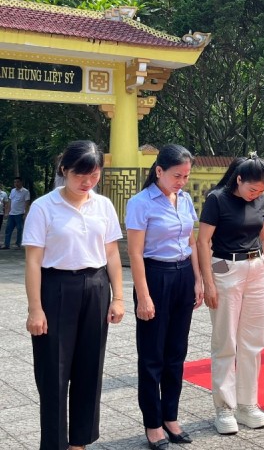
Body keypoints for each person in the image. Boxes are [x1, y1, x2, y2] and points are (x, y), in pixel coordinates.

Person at [23, 140, 124, 450]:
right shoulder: (43, 207)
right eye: (81, 174)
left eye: (94, 175)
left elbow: (111, 253)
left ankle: (79, 442)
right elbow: (33, 261)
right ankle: (54, 444)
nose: (87, 182)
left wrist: (118, 296)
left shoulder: (103, 205)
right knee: (53, 373)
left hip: (95, 287)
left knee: (89, 367)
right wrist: (35, 309)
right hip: (55, 290)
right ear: (64, 169)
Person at [126, 144, 204, 449]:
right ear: (159, 171)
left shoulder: (184, 199)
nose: (181, 181)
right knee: (151, 356)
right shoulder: (141, 203)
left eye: (185, 176)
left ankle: (171, 416)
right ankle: (153, 423)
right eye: (176, 175)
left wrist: (197, 279)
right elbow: (134, 252)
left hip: (184, 275)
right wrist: (143, 297)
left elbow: (191, 240)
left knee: (176, 353)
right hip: (154, 277)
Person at [198, 156, 264, 435]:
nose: (256, 195)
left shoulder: (260, 200)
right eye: (252, 189)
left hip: (255, 267)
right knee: (225, 341)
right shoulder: (217, 199)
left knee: (252, 341)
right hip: (225, 266)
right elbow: (203, 241)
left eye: (261, 191)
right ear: (239, 179)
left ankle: (248, 404)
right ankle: (224, 407)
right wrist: (209, 282)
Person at [5, 176, 30, 248]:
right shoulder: (13, 191)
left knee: (19, 229)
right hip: (12, 213)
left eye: (18, 182)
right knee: (8, 229)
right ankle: (6, 245)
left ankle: (18, 244)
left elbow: (27, 203)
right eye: (15, 182)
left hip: (20, 213)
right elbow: (10, 201)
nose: (16, 183)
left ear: (21, 182)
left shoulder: (25, 191)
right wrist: (7, 211)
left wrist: (25, 213)